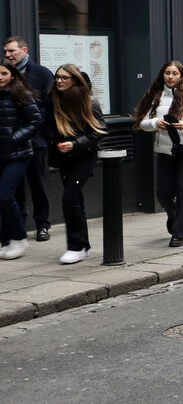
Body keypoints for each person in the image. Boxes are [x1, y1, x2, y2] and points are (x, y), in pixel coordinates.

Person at [133, 61, 183, 247]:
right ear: (162, 75)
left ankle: (178, 233)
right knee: (163, 193)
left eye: (175, 73)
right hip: (164, 151)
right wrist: (155, 123)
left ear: (181, 75)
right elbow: (142, 122)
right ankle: (173, 214)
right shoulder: (155, 95)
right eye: (167, 73)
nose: (170, 77)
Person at [48, 64, 105, 264]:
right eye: (57, 77)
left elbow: (99, 131)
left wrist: (75, 144)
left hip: (84, 156)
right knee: (76, 201)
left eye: (64, 77)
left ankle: (75, 247)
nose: (59, 81)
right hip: (64, 157)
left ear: (74, 80)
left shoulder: (89, 101)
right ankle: (83, 246)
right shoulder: (54, 99)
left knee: (69, 198)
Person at [3, 36, 53, 242]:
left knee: (38, 185)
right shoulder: (5, 74)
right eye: (6, 52)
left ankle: (42, 225)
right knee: (15, 189)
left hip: (36, 141)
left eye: (12, 51)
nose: (8, 55)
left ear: (24, 50)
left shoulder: (41, 73)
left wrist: (31, 132)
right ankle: (19, 227)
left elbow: (48, 108)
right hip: (11, 145)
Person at [0, 61, 43, 259]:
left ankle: (19, 238)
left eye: (3, 73)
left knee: (5, 195)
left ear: (12, 75)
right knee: (8, 199)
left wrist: (14, 138)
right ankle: (5, 241)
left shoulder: (21, 94)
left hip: (18, 154)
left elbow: (35, 122)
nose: (0, 77)